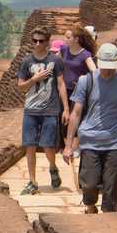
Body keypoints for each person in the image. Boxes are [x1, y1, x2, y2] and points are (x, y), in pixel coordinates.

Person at [62, 43, 117, 214]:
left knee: (111, 189)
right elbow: (76, 113)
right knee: (89, 184)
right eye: (104, 67)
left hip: (115, 142)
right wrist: (68, 146)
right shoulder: (86, 81)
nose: (107, 71)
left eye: (110, 67)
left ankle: (107, 221)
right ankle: (90, 207)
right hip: (89, 141)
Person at [17, 26, 70, 195]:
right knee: (30, 146)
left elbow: (61, 84)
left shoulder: (55, 61)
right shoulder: (27, 62)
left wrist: (66, 109)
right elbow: (20, 86)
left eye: (41, 41)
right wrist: (34, 79)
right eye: (34, 41)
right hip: (31, 109)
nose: (37, 44)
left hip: (50, 109)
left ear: (47, 42)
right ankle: (32, 182)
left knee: (48, 146)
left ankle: (53, 168)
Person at [58, 25, 98, 106]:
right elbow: (53, 61)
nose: (65, 40)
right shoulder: (64, 50)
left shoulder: (85, 54)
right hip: (64, 90)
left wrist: (86, 83)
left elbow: (95, 72)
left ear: (76, 39)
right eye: (65, 37)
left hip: (79, 92)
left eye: (68, 37)